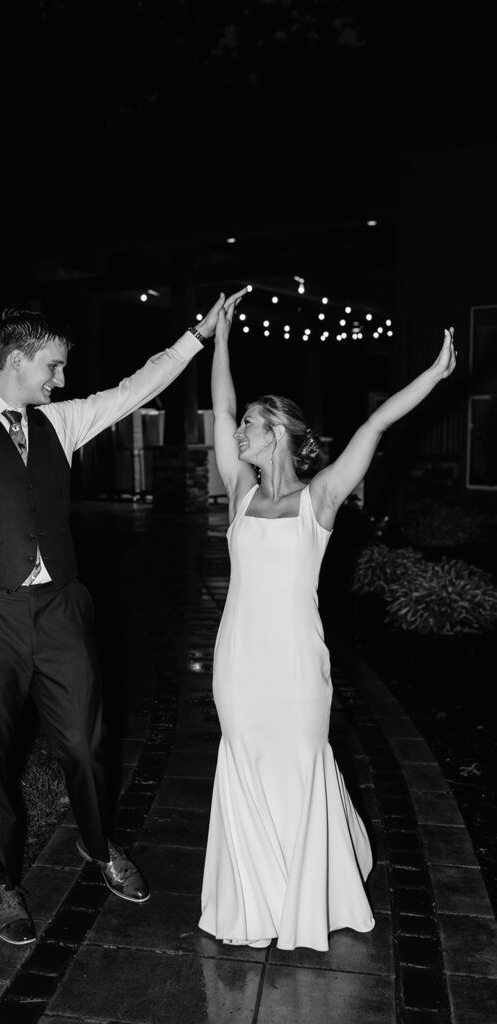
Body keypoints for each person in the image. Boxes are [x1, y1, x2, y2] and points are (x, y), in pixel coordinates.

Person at [0, 157, 246, 946]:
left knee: (83, 738)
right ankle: (0, 883)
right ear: (15, 361)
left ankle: (100, 844)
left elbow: (132, 390)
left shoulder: (61, 424)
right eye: (54, 366)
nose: (64, 377)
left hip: (60, 607)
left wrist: (191, 338)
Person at [199, 298, 456, 950]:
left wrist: (430, 377)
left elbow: (373, 427)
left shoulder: (320, 497)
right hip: (238, 662)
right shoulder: (240, 490)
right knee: (245, 761)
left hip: (296, 665)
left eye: (252, 427)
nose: (238, 434)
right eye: (241, 427)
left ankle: (310, 895)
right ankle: (252, 904)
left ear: (279, 433)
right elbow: (221, 406)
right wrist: (221, 337)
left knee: (303, 762)